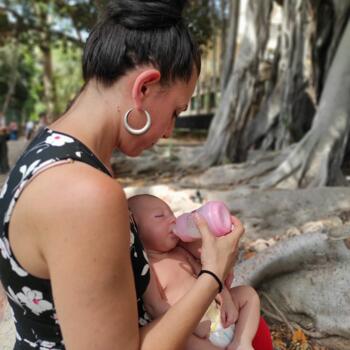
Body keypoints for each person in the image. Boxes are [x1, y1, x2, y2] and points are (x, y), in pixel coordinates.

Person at [0, 1, 272, 349]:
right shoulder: (83, 193)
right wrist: (213, 273)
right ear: (143, 88)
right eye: (175, 111)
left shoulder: (54, 154)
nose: (170, 131)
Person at [128, 194, 260, 350]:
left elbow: (210, 276)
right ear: (136, 231)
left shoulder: (180, 253)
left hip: (219, 315)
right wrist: (191, 325)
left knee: (247, 294)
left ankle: (242, 342)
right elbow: (155, 307)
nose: (172, 220)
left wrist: (227, 300)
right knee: (186, 342)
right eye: (159, 216)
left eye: (171, 214)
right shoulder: (147, 268)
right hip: (191, 331)